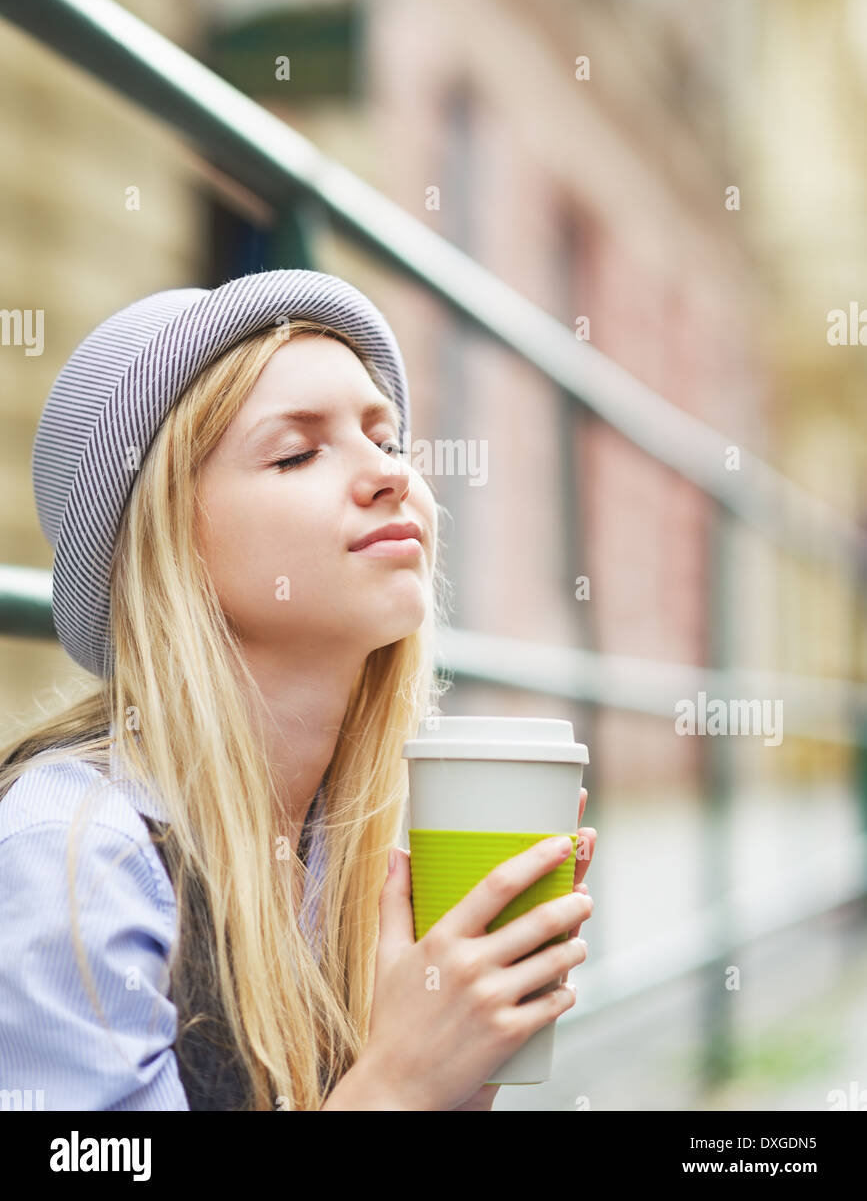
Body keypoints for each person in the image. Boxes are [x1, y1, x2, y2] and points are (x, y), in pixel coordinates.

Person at [0, 268, 596, 1111]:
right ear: (171, 545)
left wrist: (468, 1055)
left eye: (387, 441)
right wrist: (399, 1083)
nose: (391, 477)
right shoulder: (73, 853)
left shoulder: (351, 848)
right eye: (297, 452)